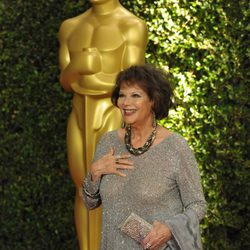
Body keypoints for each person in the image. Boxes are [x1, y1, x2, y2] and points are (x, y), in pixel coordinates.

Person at [82, 64, 207, 250]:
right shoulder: (108, 142)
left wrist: (169, 229)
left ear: (153, 101)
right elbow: (89, 202)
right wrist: (94, 173)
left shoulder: (175, 147)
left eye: (135, 95)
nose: (125, 102)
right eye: (122, 95)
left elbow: (197, 205)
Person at [58, 0, 148, 249]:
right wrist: (78, 66)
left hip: (113, 116)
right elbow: (65, 79)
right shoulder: (70, 27)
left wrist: (93, 78)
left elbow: (132, 84)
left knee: (115, 190)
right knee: (83, 187)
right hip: (78, 116)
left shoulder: (131, 26)